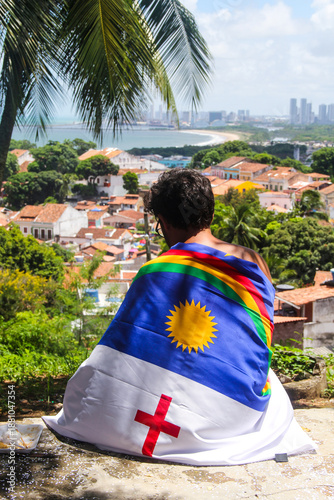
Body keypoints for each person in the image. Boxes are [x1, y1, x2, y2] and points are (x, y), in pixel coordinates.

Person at [43, 169, 316, 465]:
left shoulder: (154, 271)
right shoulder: (255, 262)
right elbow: (254, 343)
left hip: (146, 410)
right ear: (209, 212)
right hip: (235, 415)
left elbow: (120, 350)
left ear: (165, 222)